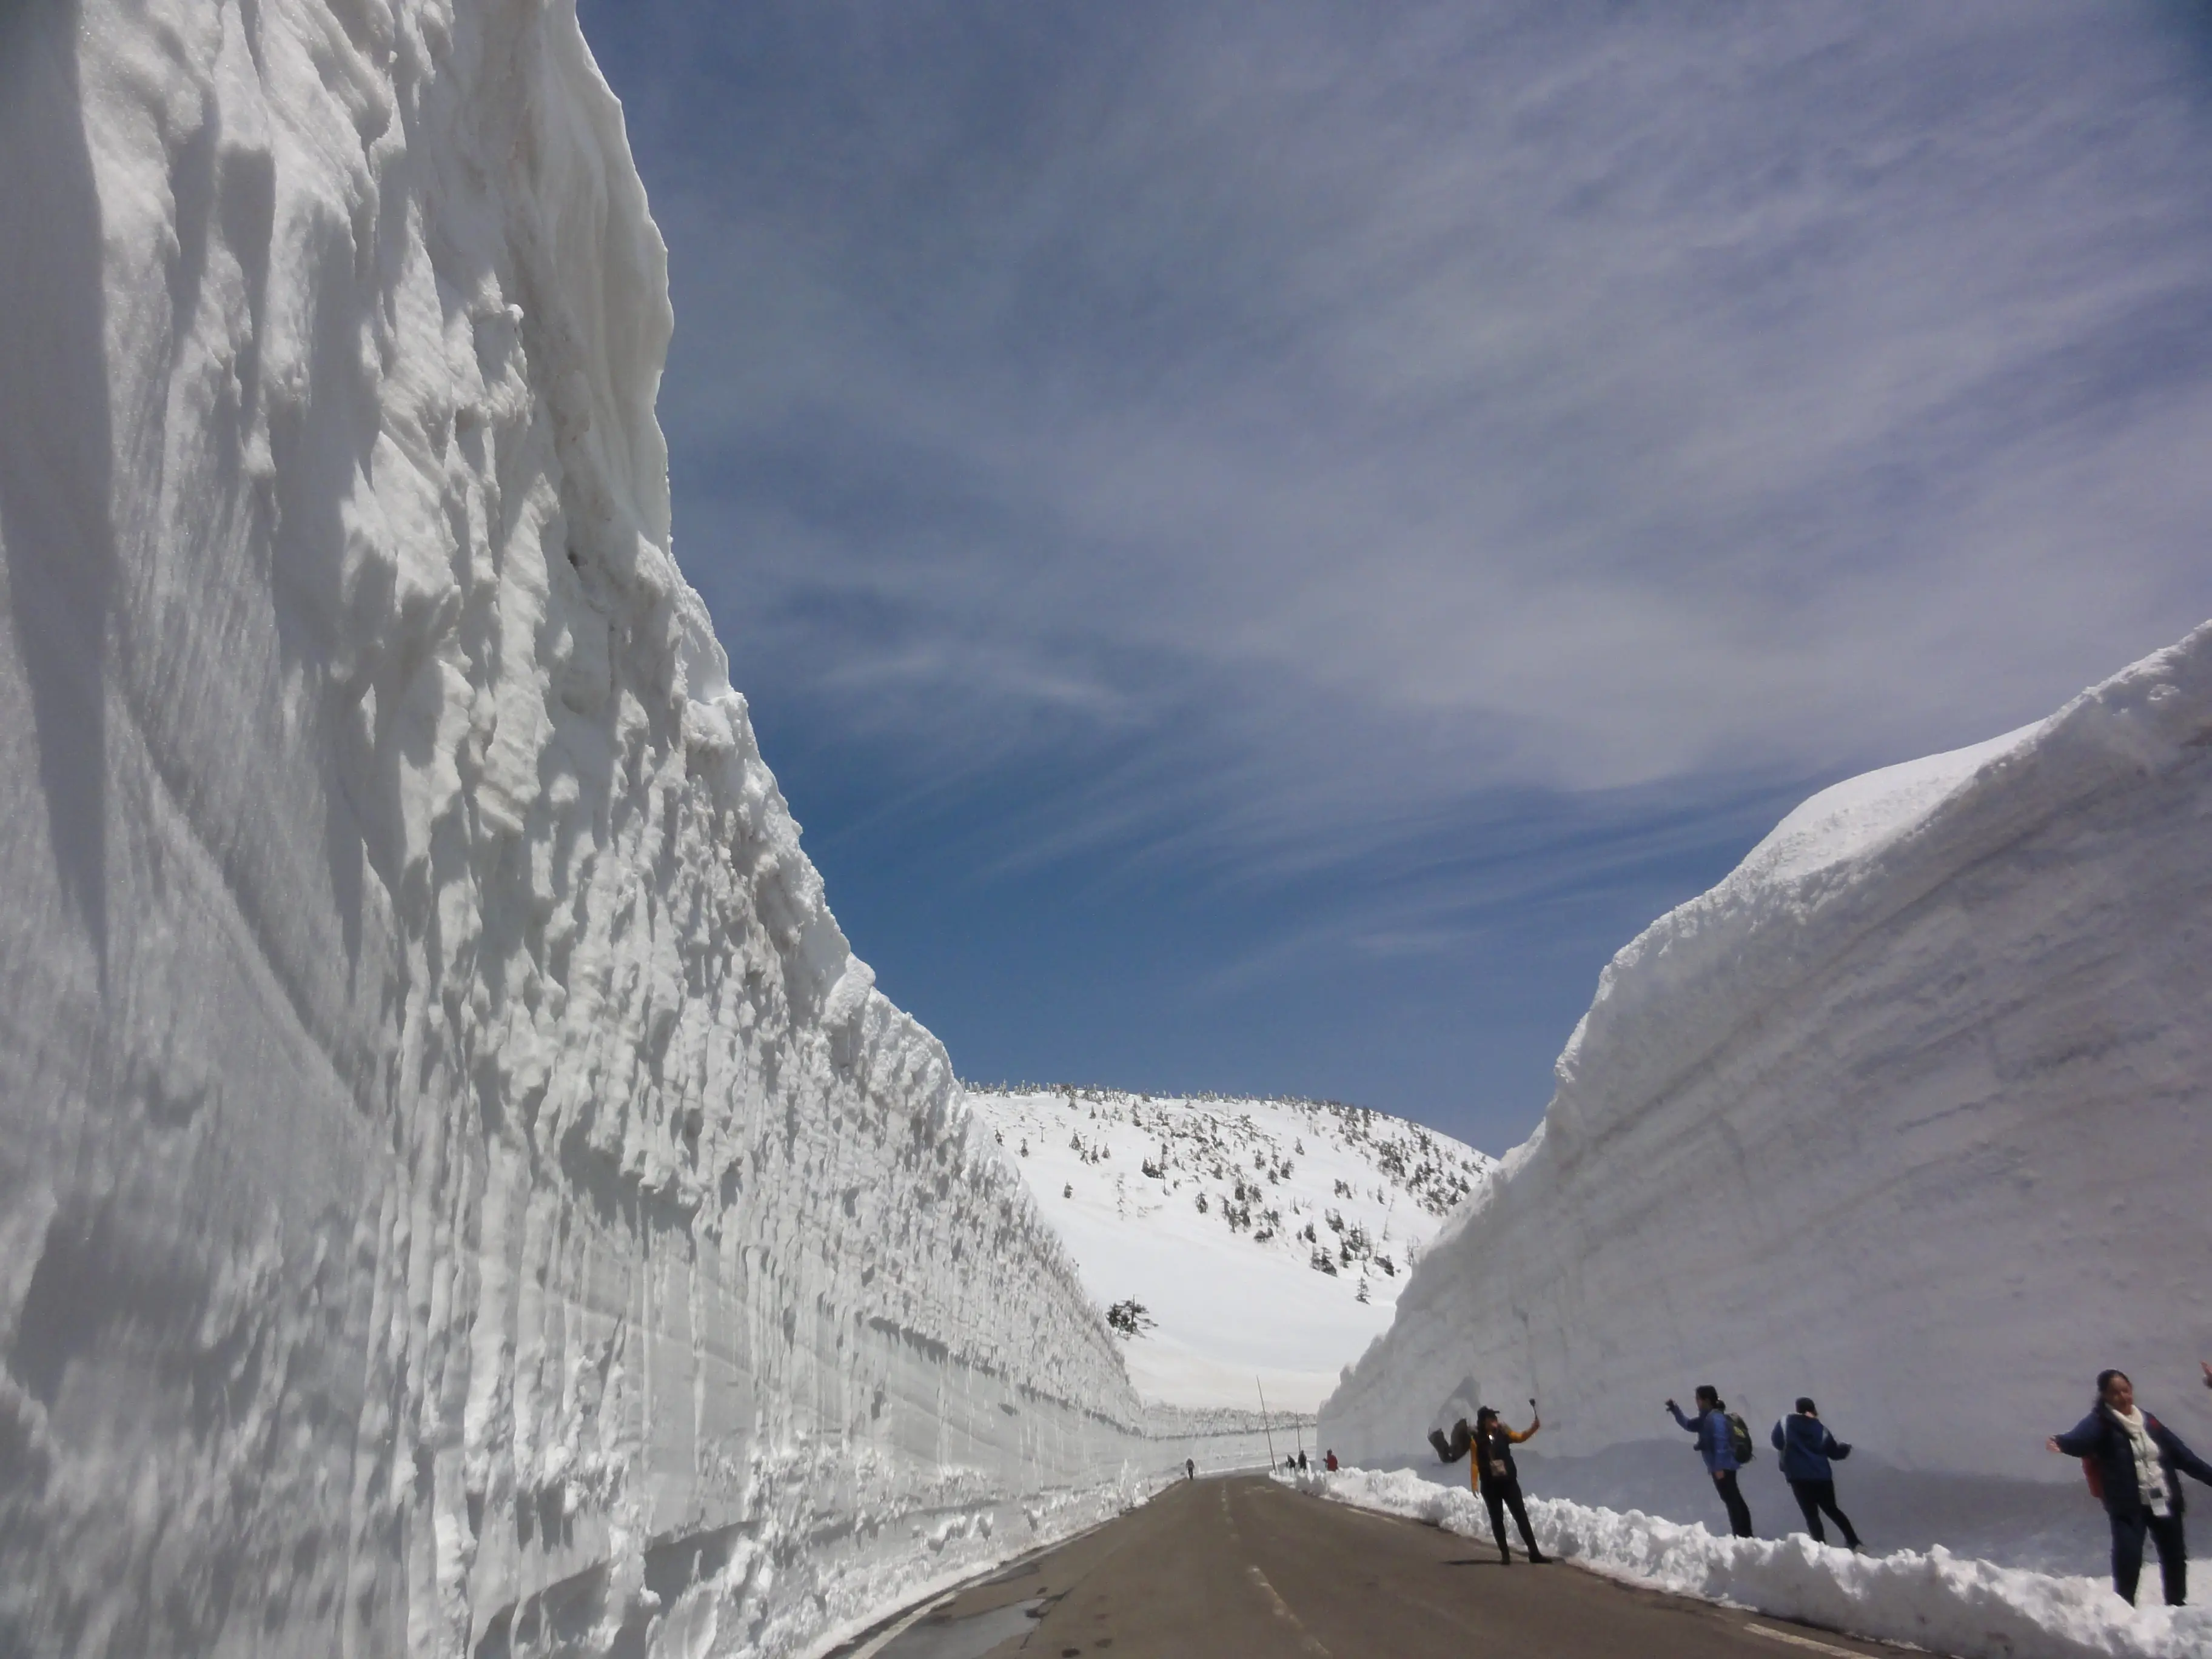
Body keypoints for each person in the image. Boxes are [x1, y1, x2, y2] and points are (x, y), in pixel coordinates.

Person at [2048, 1369, 2212, 1606]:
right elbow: (2080, 1441)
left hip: (2163, 1498)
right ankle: (2124, 1607)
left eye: (2126, 1390)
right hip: (2128, 1506)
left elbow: (2182, 1455)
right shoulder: (2100, 1422)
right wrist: (2061, 1442)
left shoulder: (2149, 1421)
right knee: (2128, 1556)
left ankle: (2176, 1606)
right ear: (2105, 1396)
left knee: (2174, 1555)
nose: (2123, 1397)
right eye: (2115, 1393)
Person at [1772, 1398, 1862, 1549]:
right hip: (1822, 1477)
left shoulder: (1785, 1423)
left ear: (1797, 1408)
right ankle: (1854, 1542)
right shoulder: (1821, 1429)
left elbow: (1777, 1442)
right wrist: (1845, 1449)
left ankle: (1821, 1547)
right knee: (1832, 1510)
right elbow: (1834, 1453)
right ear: (1813, 1409)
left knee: (1811, 1515)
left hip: (1799, 1477)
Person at [1668, 1386, 1754, 1538]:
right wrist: (1675, 1410)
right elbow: (1688, 1425)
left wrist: (1719, 1467)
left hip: (1724, 1467)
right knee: (1732, 1499)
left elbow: (1720, 1442)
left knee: (1732, 1500)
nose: (1696, 1402)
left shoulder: (1715, 1418)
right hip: (1721, 1466)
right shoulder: (1707, 1418)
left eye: (1698, 1399)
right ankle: (1742, 1534)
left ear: (1706, 1400)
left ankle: (1743, 1535)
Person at [1471, 1405, 1548, 1564]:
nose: (1495, 1420)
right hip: (1490, 1487)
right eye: (1491, 1418)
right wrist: (1474, 1483)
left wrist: (1533, 1429)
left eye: (1495, 1417)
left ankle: (1534, 1553)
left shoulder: (1504, 1432)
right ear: (1484, 1421)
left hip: (1509, 1484)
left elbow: (1520, 1437)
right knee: (1497, 1519)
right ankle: (1505, 1555)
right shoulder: (1476, 1439)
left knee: (1521, 1516)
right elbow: (1474, 1463)